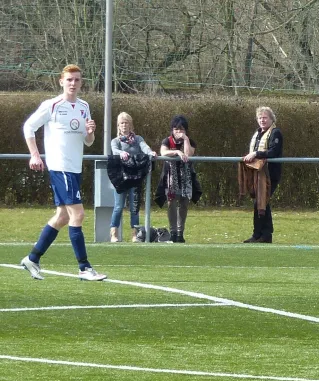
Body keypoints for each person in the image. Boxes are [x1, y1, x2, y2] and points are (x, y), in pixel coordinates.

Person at [20, 64, 106, 281]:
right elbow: (28, 127)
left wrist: (90, 133)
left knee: (62, 216)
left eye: (77, 80)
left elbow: (88, 142)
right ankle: (84, 267)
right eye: (69, 80)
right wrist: (35, 155)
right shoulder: (52, 105)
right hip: (60, 167)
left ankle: (33, 258)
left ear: (81, 82)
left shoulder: (84, 106)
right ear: (61, 82)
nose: (73, 84)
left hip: (74, 167)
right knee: (78, 214)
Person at [109, 112, 157, 243]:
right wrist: (121, 153)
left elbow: (144, 147)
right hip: (121, 178)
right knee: (118, 206)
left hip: (135, 176)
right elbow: (114, 150)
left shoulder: (138, 139)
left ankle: (135, 234)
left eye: (126, 123)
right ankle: (113, 233)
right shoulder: (116, 141)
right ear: (118, 126)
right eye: (122, 123)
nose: (124, 125)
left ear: (131, 125)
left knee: (134, 207)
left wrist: (150, 152)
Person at [242, 106, 283, 243]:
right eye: (260, 118)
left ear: (271, 119)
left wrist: (256, 154)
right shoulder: (258, 133)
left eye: (265, 117)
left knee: (260, 203)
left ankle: (259, 234)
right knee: (261, 203)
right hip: (258, 173)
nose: (262, 120)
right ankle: (264, 234)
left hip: (270, 174)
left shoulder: (275, 133)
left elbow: (273, 152)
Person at [159, 115, 196, 243]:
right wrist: (177, 152)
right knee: (171, 202)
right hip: (171, 177)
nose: (179, 132)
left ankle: (180, 233)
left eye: (181, 129)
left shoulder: (190, 141)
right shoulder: (167, 141)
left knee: (184, 202)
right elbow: (163, 152)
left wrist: (185, 140)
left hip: (186, 177)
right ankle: (173, 231)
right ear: (172, 130)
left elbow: (188, 153)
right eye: (176, 129)